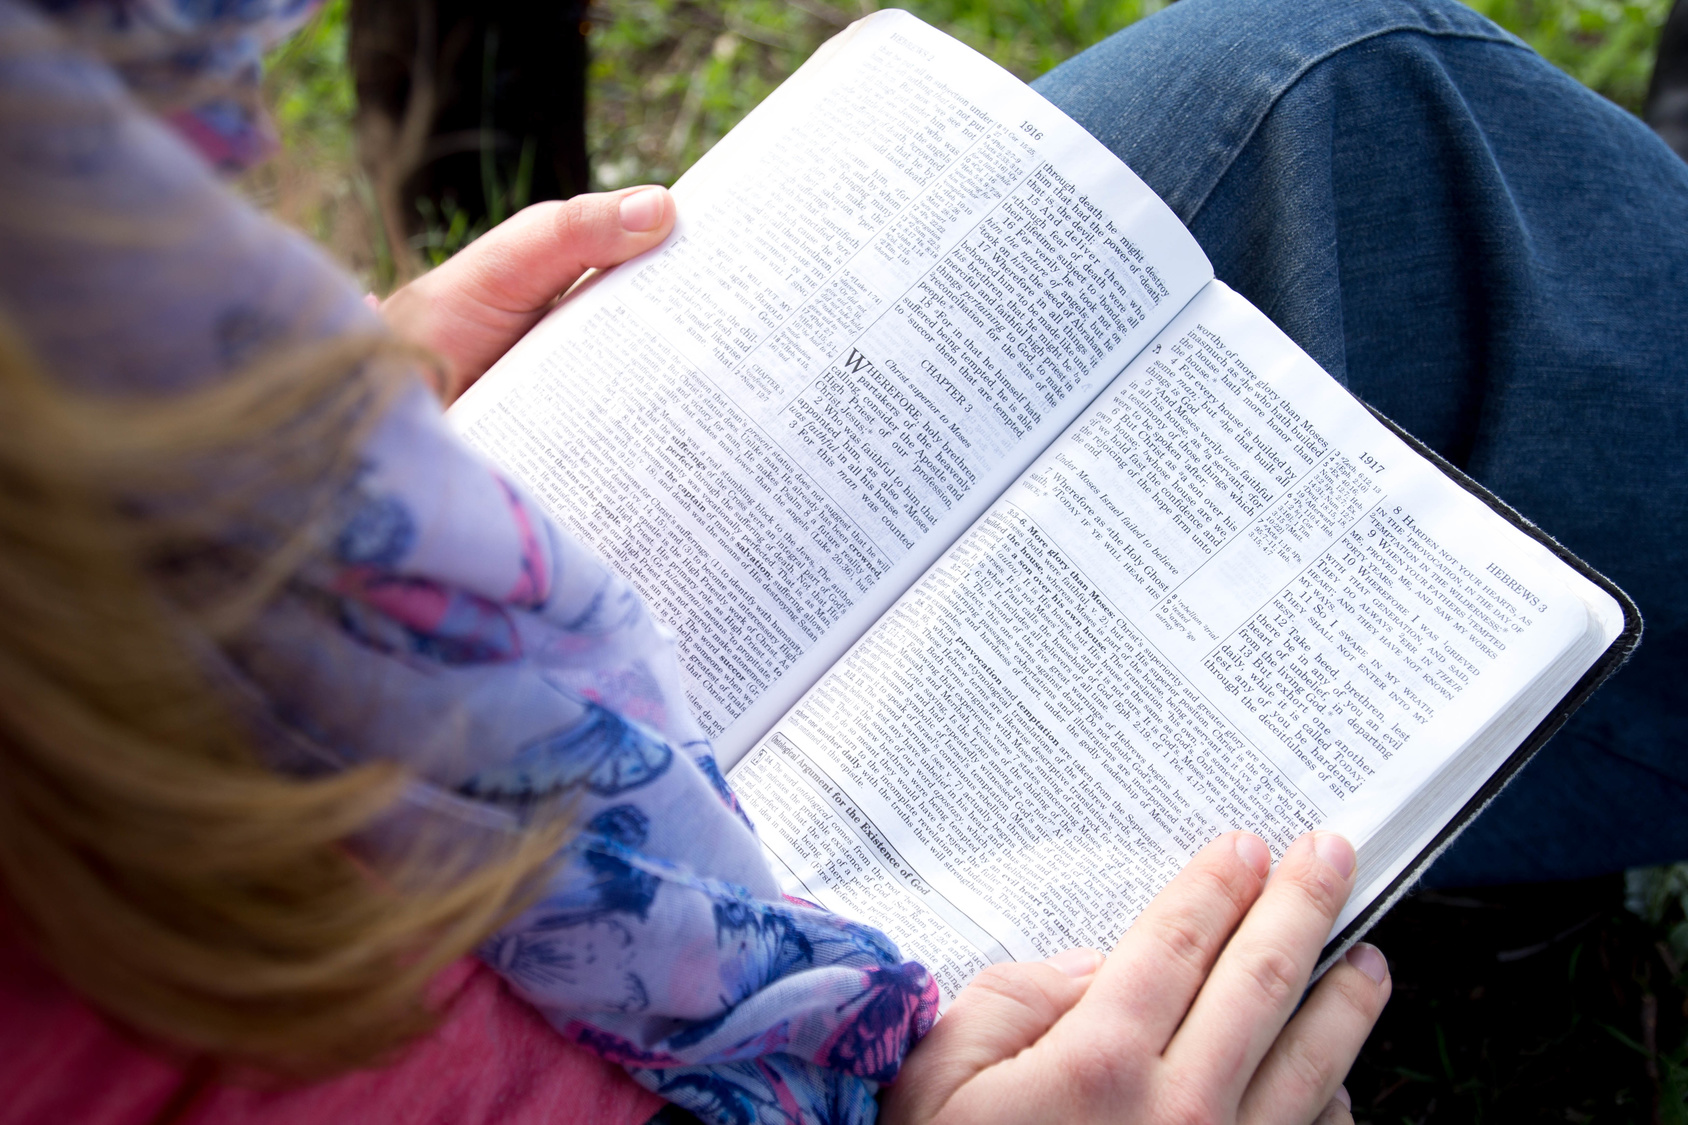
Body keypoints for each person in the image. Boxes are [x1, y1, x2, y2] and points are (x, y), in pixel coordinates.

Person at [0, 2, 1681, 1125]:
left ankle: (1489, 879)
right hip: (744, 1020)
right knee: (1376, 130)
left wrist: (232, 446)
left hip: (433, 774)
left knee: (1314, 99)